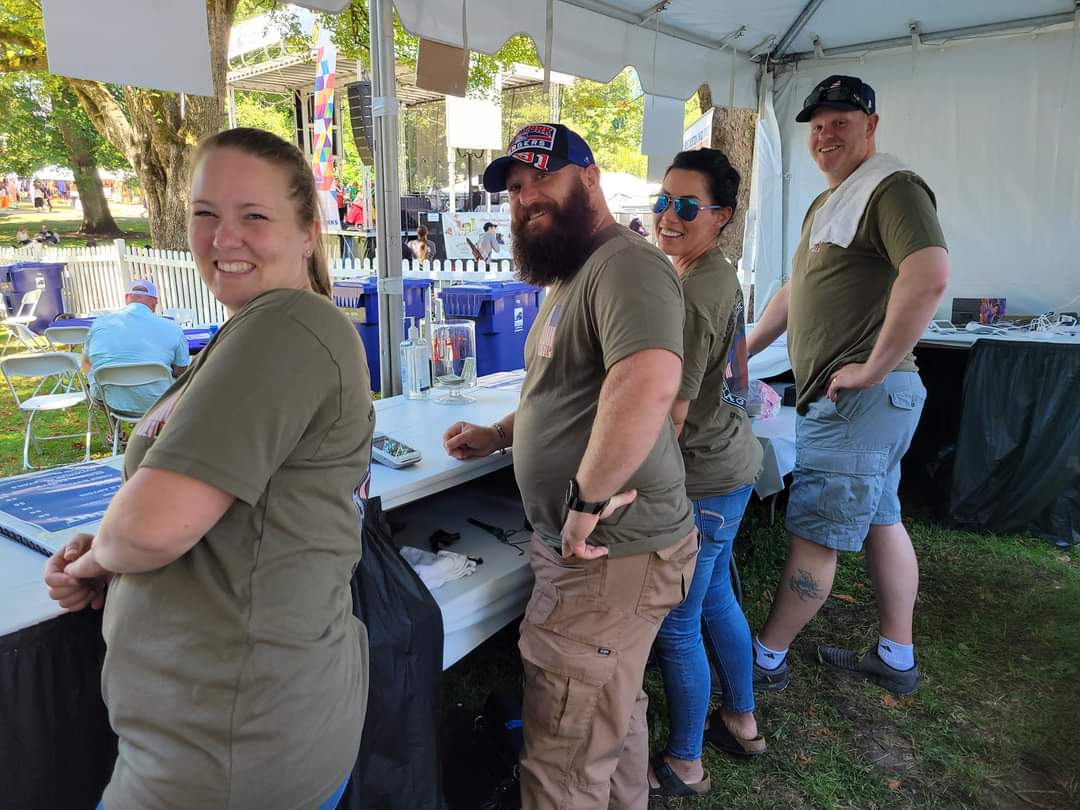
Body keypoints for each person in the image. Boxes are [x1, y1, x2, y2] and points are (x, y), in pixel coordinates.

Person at [44, 127, 374, 810]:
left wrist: (103, 554)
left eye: (254, 216)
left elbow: (152, 526)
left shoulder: (286, 326)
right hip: (230, 733)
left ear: (309, 232)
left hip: (226, 756)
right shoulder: (252, 329)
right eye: (205, 214)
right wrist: (113, 547)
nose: (224, 238)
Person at [442, 123, 698, 810]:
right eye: (515, 189)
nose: (525, 198)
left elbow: (646, 383)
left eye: (541, 179)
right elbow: (567, 392)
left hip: (608, 552)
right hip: (609, 552)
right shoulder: (575, 274)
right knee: (607, 710)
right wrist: (499, 435)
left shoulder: (627, 265)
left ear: (589, 178)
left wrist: (584, 503)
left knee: (562, 750)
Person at [747, 75, 949, 696]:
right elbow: (793, 291)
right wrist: (741, 352)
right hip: (870, 404)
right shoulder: (833, 200)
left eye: (840, 120)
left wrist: (874, 366)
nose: (825, 134)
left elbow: (930, 273)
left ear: (871, 125)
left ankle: (764, 659)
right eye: (816, 125)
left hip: (860, 401)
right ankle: (895, 655)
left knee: (816, 535)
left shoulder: (893, 187)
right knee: (883, 519)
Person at [647, 149, 766, 799]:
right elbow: (732, 383)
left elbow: (673, 412)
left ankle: (687, 761)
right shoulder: (716, 272)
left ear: (720, 216)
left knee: (679, 619)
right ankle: (742, 720)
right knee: (717, 595)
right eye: (663, 199)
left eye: (687, 205)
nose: (668, 215)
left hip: (707, 477)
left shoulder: (697, 289)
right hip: (736, 462)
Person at [81, 279, 192, 415]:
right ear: (154, 302)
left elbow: (86, 362)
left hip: (112, 401)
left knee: (104, 385)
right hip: (159, 402)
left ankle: (115, 432)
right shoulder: (173, 327)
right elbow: (181, 370)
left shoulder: (99, 324)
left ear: (127, 298)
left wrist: (95, 381)